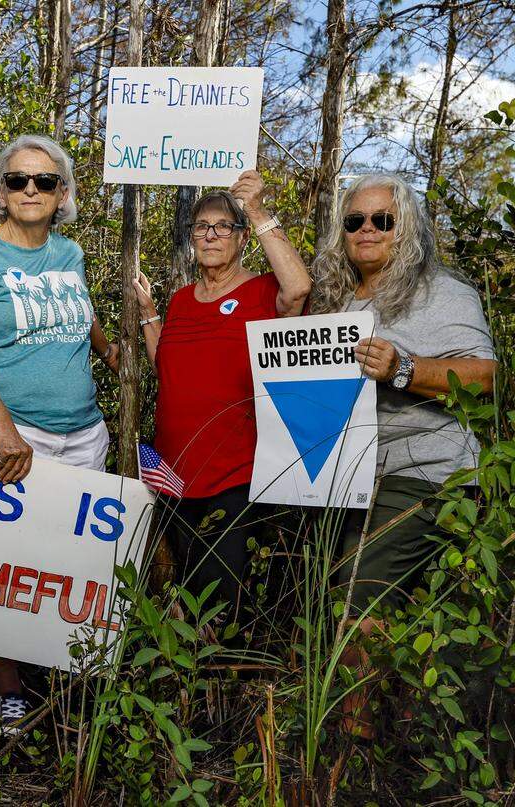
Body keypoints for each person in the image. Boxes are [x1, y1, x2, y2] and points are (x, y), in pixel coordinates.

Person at [310, 173, 496, 737]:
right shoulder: (341, 300)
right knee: (336, 596)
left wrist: (405, 368)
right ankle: (405, 724)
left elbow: (485, 377)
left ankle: (357, 744)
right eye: (354, 221)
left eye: (381, 221)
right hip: (351, 472)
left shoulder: (443, 292)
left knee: (356, 593)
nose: (367, 230)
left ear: (405, 227)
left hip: (425, 468)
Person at [0, 134, 119, 735]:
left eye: (43, 182)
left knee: (72, 561)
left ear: (62, 194)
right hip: (11, 435)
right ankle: (9, 689)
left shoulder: (70, 255)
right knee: (5, 564)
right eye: (18, 180)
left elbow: (80, 312)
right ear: (1, 190)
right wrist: (2, 429)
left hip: (83, 432)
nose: (29, 190)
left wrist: (111, 350)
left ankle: (67, 676)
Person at [132, 172, 311, 626]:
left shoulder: (261, 291)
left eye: (222, 226)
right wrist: (150, 313)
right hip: (173, 472)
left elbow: (299, 289)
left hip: (234, 473)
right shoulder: (181, 301)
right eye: (200, 227)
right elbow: (167, 366)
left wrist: (256, 208)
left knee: (222, 604)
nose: (210, 235)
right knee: (182, 593)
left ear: (241, 237)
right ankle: (188, 692)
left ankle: (223, 688)